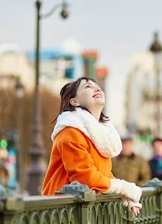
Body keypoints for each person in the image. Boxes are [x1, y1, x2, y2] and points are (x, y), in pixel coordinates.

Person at [41, 77, 142, 215]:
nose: (97, 88)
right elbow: (85, 177)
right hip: (60, 215)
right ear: (74, 101)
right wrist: (123, 188)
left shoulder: (99, 134)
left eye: (97, 86)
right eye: (88, 86)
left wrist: (123, 193)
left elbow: (102, 175)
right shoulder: (70, 132)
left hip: (80, 212)